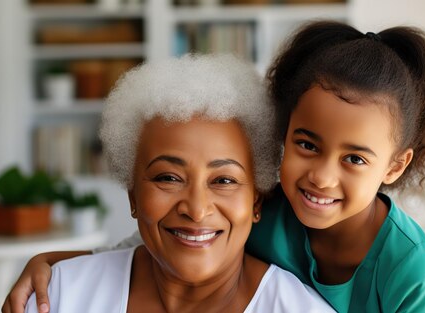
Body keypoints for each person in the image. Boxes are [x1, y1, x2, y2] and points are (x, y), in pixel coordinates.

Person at [5, 21, 425, 312]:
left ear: (395, 166)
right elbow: (148, 244)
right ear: (283, 139)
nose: (322, 176)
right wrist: (58, 264)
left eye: (355, 159)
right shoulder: (270, 209)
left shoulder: (412, 267)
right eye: (307, 144)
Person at [21, 54, 335, 313]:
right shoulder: (59, 295)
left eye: (223, 180)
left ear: (256, 201)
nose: (197, 210)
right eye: (168, 178)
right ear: (133, 195)